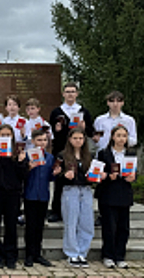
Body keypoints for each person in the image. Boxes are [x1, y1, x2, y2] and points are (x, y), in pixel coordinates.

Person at [48, 82, 94, 223]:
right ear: (63, 94)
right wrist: (56, 130)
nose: (70, 94)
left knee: (79, 179)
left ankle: (80, 210)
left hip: (79, 150)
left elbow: (91, 132)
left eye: (73, 91)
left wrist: (85, 128)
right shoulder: (57, 112)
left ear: (77, 94)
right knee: (61, 179)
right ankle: (57, 210)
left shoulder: (84, 112)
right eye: (67, 91)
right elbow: (49, 133)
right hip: (61, 150)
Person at [0, 124, 28, 269]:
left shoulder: (18, 153)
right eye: (2, 135)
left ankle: (11, 256)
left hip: (13, 193)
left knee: (11, 225)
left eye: (8, 135)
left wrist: (22, 163)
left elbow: (23, 176)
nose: (5, 137)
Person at [58, 128, 101, 268]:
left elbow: (94, 173)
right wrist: (64, 176)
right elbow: (56, 176)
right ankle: (72, 253)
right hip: (71, 190)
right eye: (75, 138)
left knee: (87, 222)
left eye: (81, 138)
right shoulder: (62, 155)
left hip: (86, 190)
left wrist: (97, 176)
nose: (78, 141)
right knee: (71, 222)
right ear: (70, 139)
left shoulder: (89, 155)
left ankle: (82, 252)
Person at [97, 125, 136, 269]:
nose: (121, 139)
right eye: (118, 135)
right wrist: (107, 176)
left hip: (124, 193)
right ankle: (108, 255)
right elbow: (98, 173)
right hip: (108, 194)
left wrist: (133, 177)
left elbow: (135, 172)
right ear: (113, 137)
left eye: (124, 136)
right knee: (109, 227)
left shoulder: (131, 154)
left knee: (123, 228)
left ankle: (120, 256)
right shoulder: (103, 153)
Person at [23, 130, 59, 267]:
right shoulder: (27, 156)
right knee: (30, 226)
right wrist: (28, 167)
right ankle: (29, 255)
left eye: (44, 140)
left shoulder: (50, 157)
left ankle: (37, 254)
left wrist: (55, 174)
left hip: (43, 195)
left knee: (39, 226)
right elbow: (22, 175)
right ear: (33, 141)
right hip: (30, 195)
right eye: (39, 140)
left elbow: (50, 177)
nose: (42, 143)